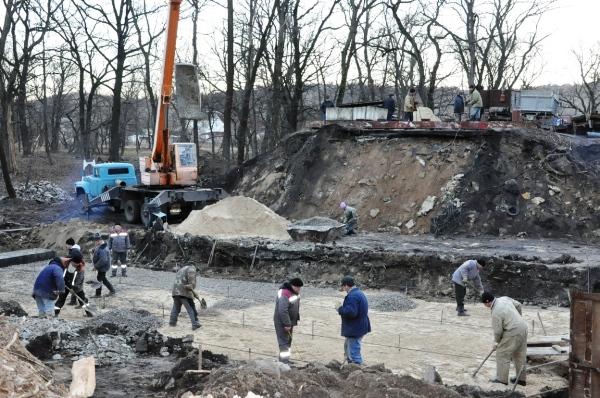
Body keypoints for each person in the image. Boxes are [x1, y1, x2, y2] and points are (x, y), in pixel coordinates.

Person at [482, 292, 528, 386]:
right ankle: (521, 379)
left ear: (487, 302)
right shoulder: (504, 298)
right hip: (523, 327)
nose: (485, 306)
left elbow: (498, 331)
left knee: (502, 354)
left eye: (484, 304)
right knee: (520, 355)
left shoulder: (495, 312)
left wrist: (496, 342)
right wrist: (518, 318)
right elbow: (518, 305)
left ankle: (502, 380)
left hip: (512, 332)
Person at [336, 276, 371, 365]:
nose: (343, 289)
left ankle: (357, 372)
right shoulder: (359, 293)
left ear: (347, 286)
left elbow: (351, 313)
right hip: (360, 326)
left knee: (354, 353)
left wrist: (340, 309)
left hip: (355, 328)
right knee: (348, 347)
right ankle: (351, 368)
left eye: (343, 287)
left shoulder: (352, 296)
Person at [273, 277, 303, 363]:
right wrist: (286, 324)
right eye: (297, 287)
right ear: (292, 286)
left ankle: (285, 360)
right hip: (282, 322)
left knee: (288, 341)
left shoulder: (294, 293)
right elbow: (282, 310)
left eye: (300, 287)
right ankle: (284, 362)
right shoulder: (285, 293)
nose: (299, 289)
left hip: (290, 321)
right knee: (284, 342)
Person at [54, 250, 92, 317]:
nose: (75, 265)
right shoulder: (65, 261)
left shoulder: (81, 267)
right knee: (61, 299)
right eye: (74, 264)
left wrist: (75, 288)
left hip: (76, 285)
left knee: (82, 298)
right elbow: (58, 270)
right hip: (65, 283)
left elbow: (79, 279)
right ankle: (56, 313)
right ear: (71, 260)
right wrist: (61, 283)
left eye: (76, 264)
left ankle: (89, 313)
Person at [170, 264, 201, 330]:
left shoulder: (181, 269)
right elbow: (191, 285)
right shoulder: (192, 269)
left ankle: (172, 324)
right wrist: (195, 294)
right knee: (191, 307)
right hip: (183, 292)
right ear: (195, 267)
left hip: (175, 292)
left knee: (175, 308)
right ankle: (195, 324)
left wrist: (193, 293)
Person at [65, 238, 81, 305]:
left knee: (75, 285)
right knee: (74, 285)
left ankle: (81, 301)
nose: (66, 246)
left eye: (67, 245)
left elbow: (75, 259)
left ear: (69, 244)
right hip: (76, 269)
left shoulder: (74, 251)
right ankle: (73, 300)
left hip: (76, 270)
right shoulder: (75, 250)